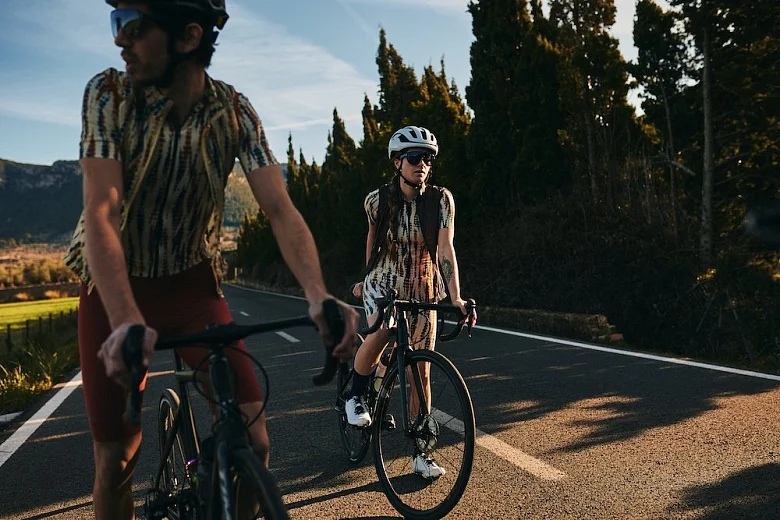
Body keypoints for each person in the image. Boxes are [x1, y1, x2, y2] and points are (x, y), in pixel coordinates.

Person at [64, 1, 359, 518]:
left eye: (132, 25)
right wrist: (127, 318)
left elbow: (280, 209)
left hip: (191, 286)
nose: (119, 39)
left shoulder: (235, 112)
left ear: (188, 36)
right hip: (113, 290)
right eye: (117, 23)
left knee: (255, 442)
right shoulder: (108, 94)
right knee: (116, 460)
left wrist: (318, 295)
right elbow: (102, 210)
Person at [347, 125, 476, 479]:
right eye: (415, 157)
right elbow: (372, 239)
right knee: (383, 331)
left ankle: (422, 453)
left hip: (423, 288)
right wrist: (365, 278)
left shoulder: (441, 200)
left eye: (428, 159)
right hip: (384, 282)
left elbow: (446, 249)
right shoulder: (377, 200)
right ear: (397, 162)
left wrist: (456, 297)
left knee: (421, 372)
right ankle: (355, 394)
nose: (422, 164)